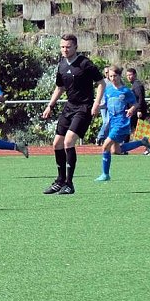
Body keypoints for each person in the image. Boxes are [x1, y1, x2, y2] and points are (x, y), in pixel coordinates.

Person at [41, 34, 105, 195]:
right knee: (57, 143)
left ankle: (69, 183)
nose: (65, 49)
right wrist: (50, 105)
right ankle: (60, 180)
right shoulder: (62, 64)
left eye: (68, 47)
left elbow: (101, 83)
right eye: (62, 46)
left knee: (69, 141)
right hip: (69, 107)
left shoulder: (85, 64)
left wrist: (96, 103)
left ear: (75, 47)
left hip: (84, 107)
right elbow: (60, 88)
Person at [95, 66, 150, 181]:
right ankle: (142, 142)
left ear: (119, 76)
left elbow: (135, 103)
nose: (112, 78)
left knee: (105, 146)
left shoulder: (126, 91)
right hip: (112, 123)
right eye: (110, 76)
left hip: (121, 123)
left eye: (115, 76)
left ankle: (105, 174)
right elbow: (105, 105)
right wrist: (97, 106)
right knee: (115, 151)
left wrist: (132, 109)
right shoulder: (108, 90)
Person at [125, 67, 150, 155]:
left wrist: (139, 110)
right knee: (133, 129)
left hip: (137, 112)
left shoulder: (137, 85)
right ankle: (147, 148)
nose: (129, 77)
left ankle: (148, 148)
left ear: (135, 75)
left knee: (133, 129)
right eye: (127, 75)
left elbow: (140, 99)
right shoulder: (134, 85)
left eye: (130, 75)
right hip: (134, 111)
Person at [95, 66, 111, 146]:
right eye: (106, 72)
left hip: (111, 105)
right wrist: (98, 103)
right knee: (106, 122)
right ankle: (100, 137)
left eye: (108, 72)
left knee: (109, 122)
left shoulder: (114, 81)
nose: (107, 74)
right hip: (103, 105)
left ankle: (103, 138)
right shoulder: (103, 82)